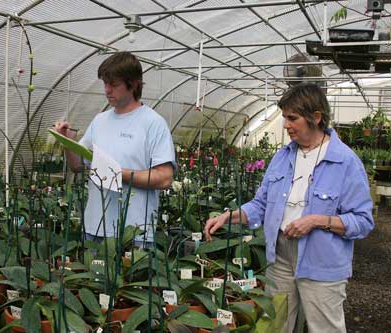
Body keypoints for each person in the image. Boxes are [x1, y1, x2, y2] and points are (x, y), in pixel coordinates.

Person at [204, 83, 374, 333]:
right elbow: (261, 204)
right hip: (281, 254)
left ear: (316, 117)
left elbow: (363, 221)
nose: (286, 125)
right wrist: (229, 216)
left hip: (321, 260)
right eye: (284, 117)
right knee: (277, 322)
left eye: (292, 118)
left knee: (324, 327)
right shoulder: (283, 157)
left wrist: (317, 220)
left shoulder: (345, 162)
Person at [55, 52, 176, 246]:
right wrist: (67, 142)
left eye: (114, 84)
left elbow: (164, 178)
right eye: (105, 83)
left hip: (134, 233)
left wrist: (119, 173)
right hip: (95, 228)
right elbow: (78, 166)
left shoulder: (153, 123)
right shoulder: (100, 120)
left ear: (134, 84)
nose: (107, 90)